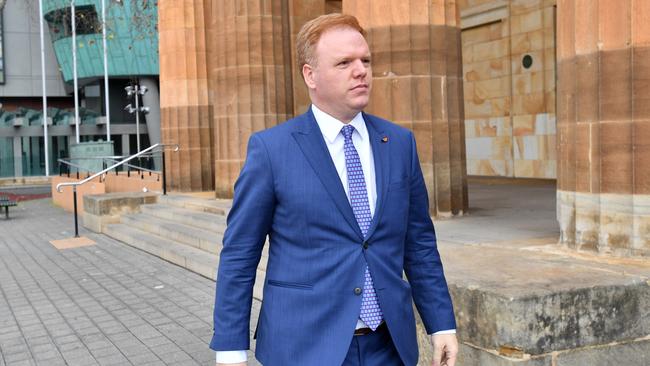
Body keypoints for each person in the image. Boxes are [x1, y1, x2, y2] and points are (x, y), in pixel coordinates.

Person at [210, 13, 458, 366]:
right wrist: (231, 349)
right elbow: (239, 253)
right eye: (344, 62)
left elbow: (418, 244)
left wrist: (441, 324)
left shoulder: (399, 143)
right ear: (310, 75)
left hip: (389, 347)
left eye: (365, 61)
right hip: (303, 347)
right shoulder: (272, 149)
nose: (361, 71)